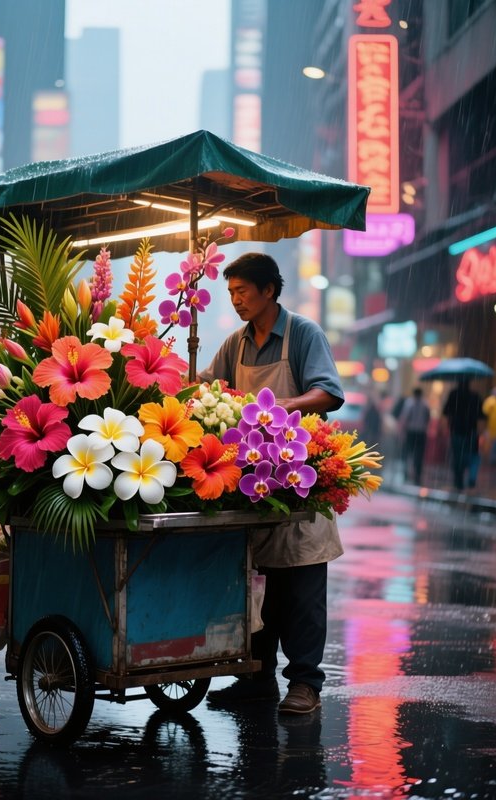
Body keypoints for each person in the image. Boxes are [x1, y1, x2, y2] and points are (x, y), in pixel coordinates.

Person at [199, 252, 345, 715]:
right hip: (255, 485)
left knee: (301, 590)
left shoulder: (303, 334)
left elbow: (329, 393)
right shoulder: (235, 344)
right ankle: (256, 678)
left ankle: (305, 684)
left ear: (269, 290)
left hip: (295, 476)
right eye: (231, 293)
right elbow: (207, 388)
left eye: (243, 292)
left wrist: (281, 406)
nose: (237, 300)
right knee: (257, 590)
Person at [441, 378, 485, 491]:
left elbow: (445, 412)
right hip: (471, 431)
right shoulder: (475, 396)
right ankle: (470, 478)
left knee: (457, 457)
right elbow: (481, 415)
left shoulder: (453, 394)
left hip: (456, 430)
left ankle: (458, 480)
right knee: (470, 455)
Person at [398, 387, 430, 484]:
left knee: (409, 453)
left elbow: (404, 418)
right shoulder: (425, 404)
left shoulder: (409, 403)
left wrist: (402, 431)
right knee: (418, 455)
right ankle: (416, 476)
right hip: (420, 432)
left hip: (412, 432)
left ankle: (407, 474)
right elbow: (427, 418)